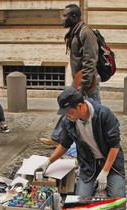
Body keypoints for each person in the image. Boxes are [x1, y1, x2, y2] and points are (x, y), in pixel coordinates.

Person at [37, 88, 125, 198]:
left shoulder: (104, 114)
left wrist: (105, 172)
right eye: (65, 113)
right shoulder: (68, 121)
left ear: (80, 106)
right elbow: (64, 145)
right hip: (88, 165)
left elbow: (114, 145)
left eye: (69, 112)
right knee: (81, 200)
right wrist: (48, 162)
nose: (67, 116)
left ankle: (105, 187)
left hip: (110, 165)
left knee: (118, 198)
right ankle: (98, 189)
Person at [40, 3, 100, 148]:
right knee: (68, 106)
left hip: (87, 80)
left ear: (74, 17)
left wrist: (84, 85)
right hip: (79, 79)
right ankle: (57, 137)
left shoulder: (86, 33)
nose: (62, 18)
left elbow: (90, 60)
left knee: (96, 110)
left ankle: (101, 137)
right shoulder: (75, 31)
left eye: (65, 16)